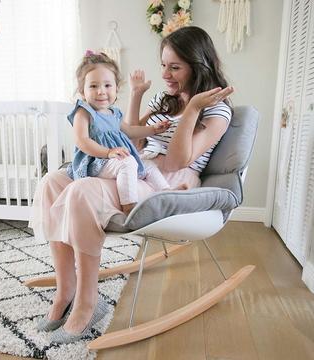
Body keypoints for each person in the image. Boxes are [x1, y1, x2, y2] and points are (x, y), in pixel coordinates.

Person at [29, 26, 234, 344]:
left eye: (174, 67)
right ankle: (65, 288)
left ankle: (87, 302)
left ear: (198, 64)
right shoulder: (164, 98)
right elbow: (133, 137)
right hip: (138, 167)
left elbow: (180, 160)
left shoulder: (216, 108)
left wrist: (192, 108)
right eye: (163, 64)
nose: (165, 73)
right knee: (53, 181)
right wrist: (138, 98)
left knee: (81, 191)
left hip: (167, 180)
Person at [66, 51, 185, 215]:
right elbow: (82, 140)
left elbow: (130, 131)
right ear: (82, 91)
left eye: (107, 85)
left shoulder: (114, 113)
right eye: (93, 86)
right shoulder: (84, 112)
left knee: (148, 166)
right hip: (95, 162)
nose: (101, 91)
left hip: (114, 159)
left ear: (116, 88)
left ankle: (167, 192)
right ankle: (129, 207)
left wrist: (153, 129)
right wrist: (108, 152)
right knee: (127, 162)